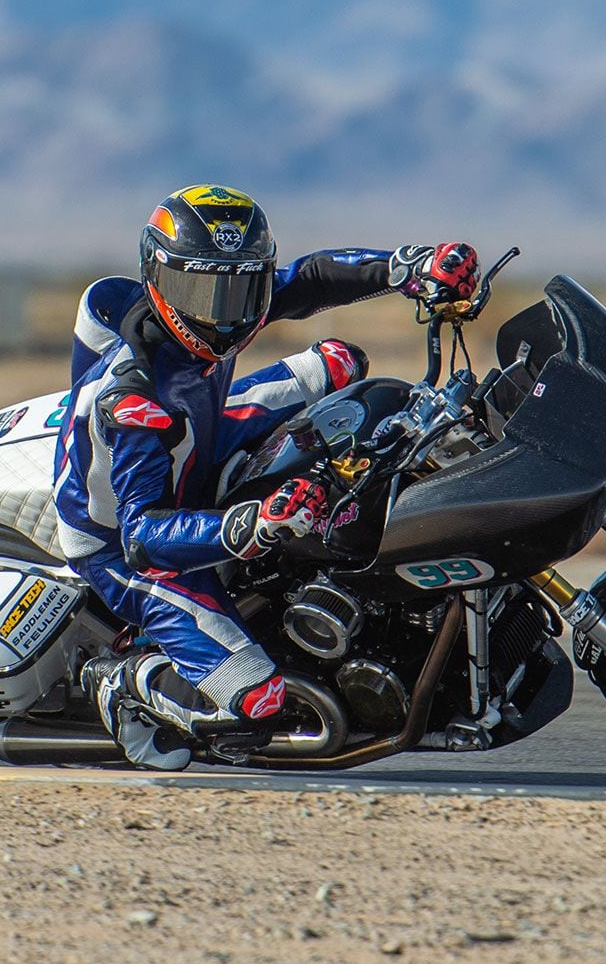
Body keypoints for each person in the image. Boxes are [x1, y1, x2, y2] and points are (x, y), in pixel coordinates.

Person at [51, 184, 478, 769]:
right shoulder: (132, 399)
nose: (225, 312)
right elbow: (144, 538)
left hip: (197, 441)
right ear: (160, 279)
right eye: (205, 289)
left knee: (340, 365)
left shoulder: (222, 301)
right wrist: (253, 522)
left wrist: (409, 266)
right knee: (252, 705)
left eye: (243, 287)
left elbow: (311, 280)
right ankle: (120, 681)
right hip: (121, 548)